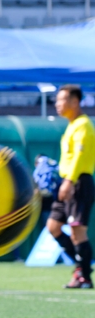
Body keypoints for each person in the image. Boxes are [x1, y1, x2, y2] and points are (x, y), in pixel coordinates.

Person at [47, 84, 95, 289]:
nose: (57, 104)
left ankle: (84, 275)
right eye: (57, 100)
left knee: (78, 232)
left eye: (62, 99)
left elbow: (79, 156)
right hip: (67, 181)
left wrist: (68, 181)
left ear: (75, 102)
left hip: (78, 183)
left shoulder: (83, 124)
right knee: (53, 227)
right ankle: (80, 265)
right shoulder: (71, 125)